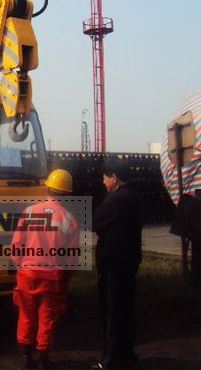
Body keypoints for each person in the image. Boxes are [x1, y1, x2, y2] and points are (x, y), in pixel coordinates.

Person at [11, 169, 79, 370]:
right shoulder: (69, 220)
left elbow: (17, 246)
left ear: (48, 189)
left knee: (26, 315)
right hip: (53, 277)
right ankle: (43, 360)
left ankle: (25, 358)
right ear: (66, 194)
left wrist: (21, 266)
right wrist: (66, 277)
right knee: (47, 318)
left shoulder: (29, 212)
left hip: (27, 275)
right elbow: (71, 257)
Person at [91, 159, 143, 370]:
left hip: (114, 263)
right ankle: (126, 355)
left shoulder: (118, 199)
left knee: (113, 310)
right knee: (126, 309)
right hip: (128, 260)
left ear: (114, 177)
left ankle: (110, 359)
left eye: (104, 178)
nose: (103, 182)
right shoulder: (135, 196)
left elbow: (95, 221)